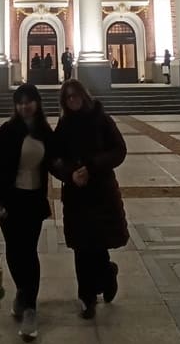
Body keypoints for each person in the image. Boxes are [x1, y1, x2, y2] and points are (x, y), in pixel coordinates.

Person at [0, 83, 54, 341]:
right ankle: (23, 294)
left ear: (37, 103)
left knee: (29, 252)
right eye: (20, 102)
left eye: (29, 101)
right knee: (14, 250)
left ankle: (29, 307)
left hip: (33, 201)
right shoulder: (7, 131)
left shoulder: (45, 131)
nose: (24, 106)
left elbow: (56, 160)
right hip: (10, 201)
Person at [52, 79, 129, 319]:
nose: (73, 100)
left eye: (76, 96)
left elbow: (119, 150)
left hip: (101, 192)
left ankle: (107, 274)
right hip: (76, 194)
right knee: (80, 246)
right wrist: (70, 174)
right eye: (68, 98)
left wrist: (93, 167)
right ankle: (86, 298)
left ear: (84, 96)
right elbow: (54, 159)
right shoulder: (63, 125)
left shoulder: (101, 119)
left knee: (97, 244)